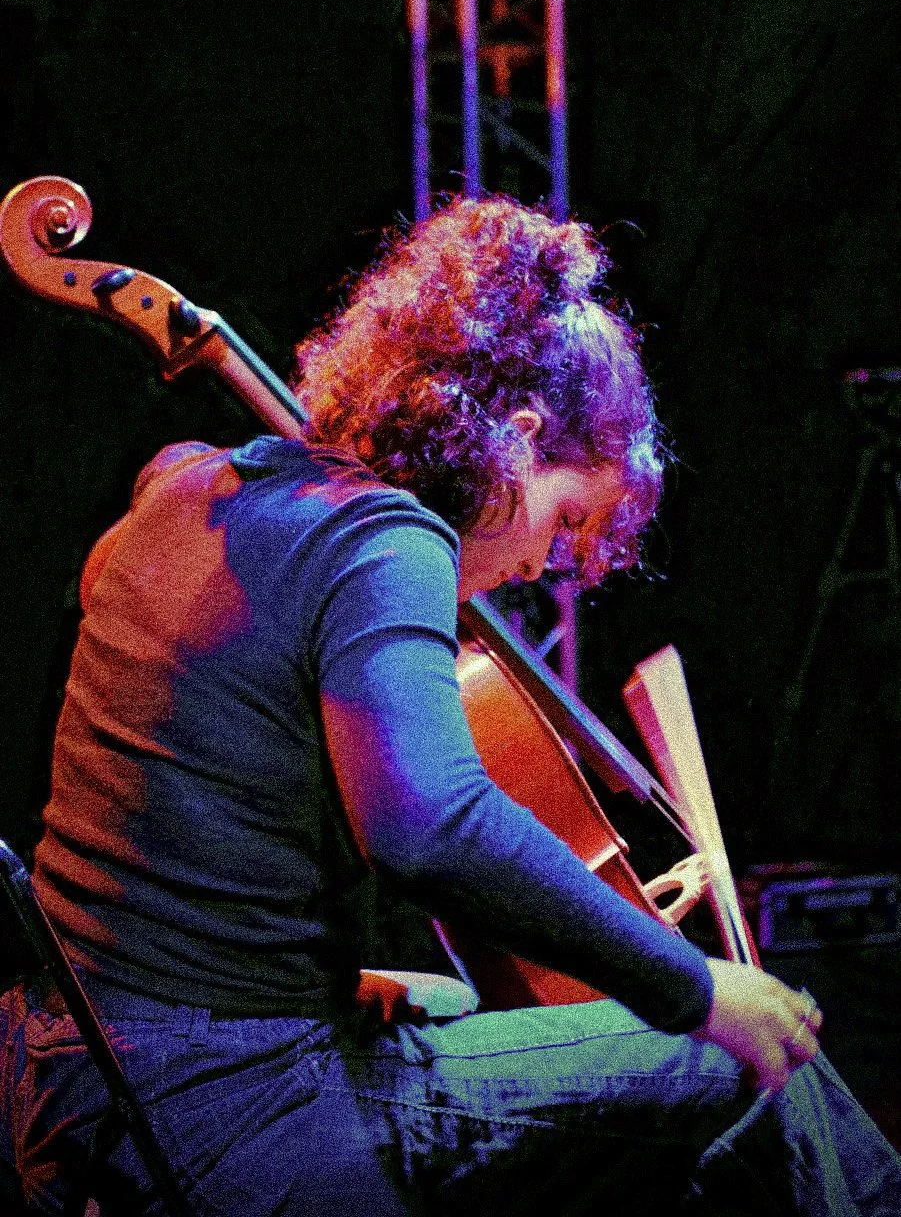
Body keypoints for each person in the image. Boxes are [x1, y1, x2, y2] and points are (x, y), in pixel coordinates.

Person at [1, 195, 899, 1215]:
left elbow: (180, 804)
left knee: (479, 1018)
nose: (540, 564)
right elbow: (427, 827)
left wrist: (331, 986)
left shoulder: (183, 486)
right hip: (226, 1107)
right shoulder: (390, 540)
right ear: (515, 442)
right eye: (564, 519)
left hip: (70, 1070)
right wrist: (693, 988)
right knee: (751, 1065)